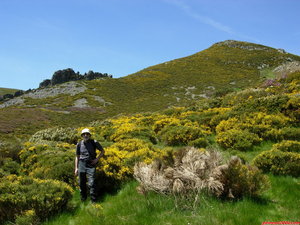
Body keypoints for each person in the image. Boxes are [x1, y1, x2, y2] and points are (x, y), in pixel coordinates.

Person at [75, 128, 105, 202]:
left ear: (89, 135)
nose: (86, 135)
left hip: (91, 164)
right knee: (81, 182)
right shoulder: (79, 144)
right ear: (82, 135)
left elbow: (102, 151)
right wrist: (76, 168)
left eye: (87, 134)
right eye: (84, 134)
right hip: (81, 164)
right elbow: (77, 156)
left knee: (92, 183)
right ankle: (83, 199)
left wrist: (96, 159)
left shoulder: (94, 142)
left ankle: (94, 201)